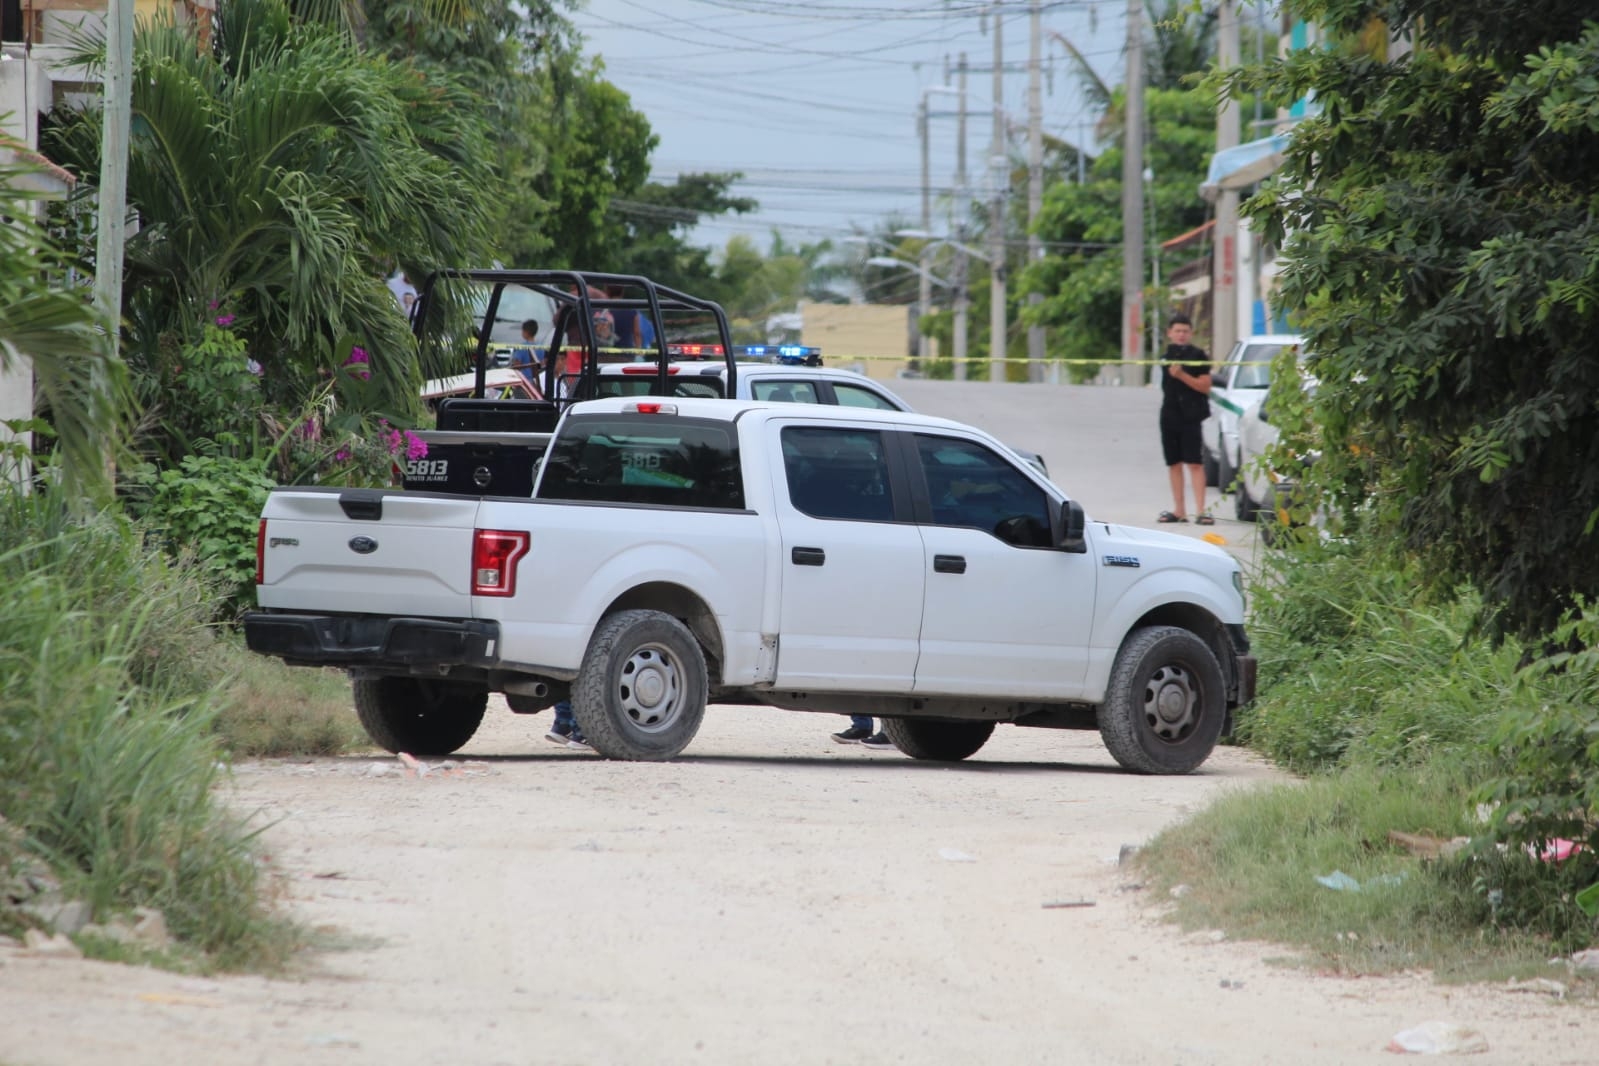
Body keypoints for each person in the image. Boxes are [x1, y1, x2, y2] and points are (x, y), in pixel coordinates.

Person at [1157, 313, 1214, 525]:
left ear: (1190, 333)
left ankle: (1201, 511)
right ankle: (1179, 510)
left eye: (1185, 331)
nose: (1181, 335)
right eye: (1177, 331)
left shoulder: (1198, 355)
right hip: (1170, 415)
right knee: (1174, 463)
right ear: (1170, 333)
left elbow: (1205, 386)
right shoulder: (1166, 356)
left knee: (1195, 463)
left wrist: (1182, 375)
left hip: (1192, 415)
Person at [510, 319, 541, 390]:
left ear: (526, 332)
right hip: (537, 382)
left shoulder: (522, 347)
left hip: (524, 382)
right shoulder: (541, 347)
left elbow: (517, 365)